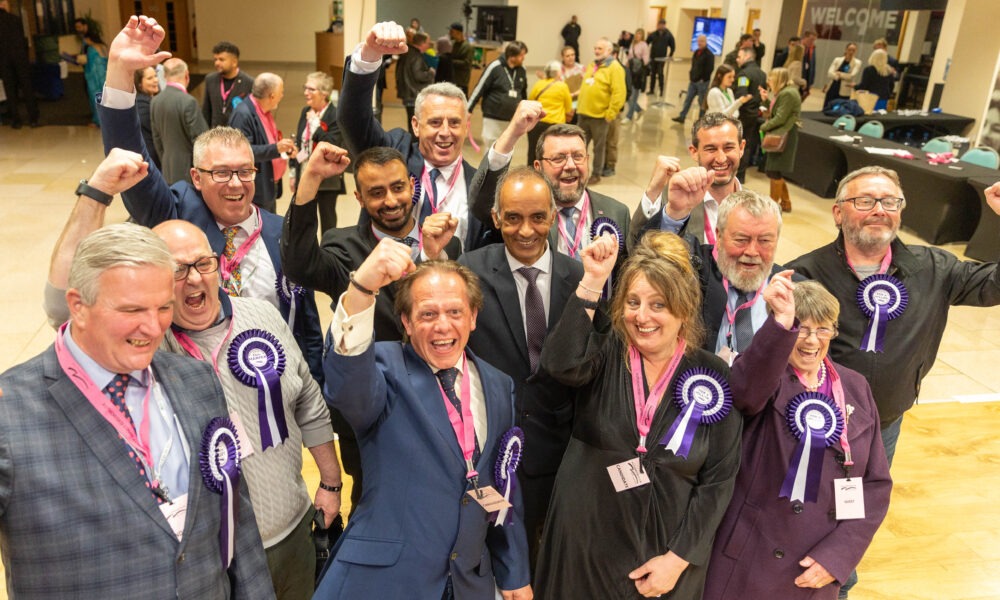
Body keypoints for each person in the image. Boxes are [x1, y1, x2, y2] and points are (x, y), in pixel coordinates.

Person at [0, 223, 274, 598]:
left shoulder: (198, 383)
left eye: (164, 307)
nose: (153, 326)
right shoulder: (10, 412)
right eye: (132, 309)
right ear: (78, 306)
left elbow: (237, 521)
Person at [97, 15, 325, 384]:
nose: (235, 184)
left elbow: (307, 323)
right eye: (220, 173)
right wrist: (120, 74)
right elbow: (130, 158)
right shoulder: (176, 212)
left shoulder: (279, 232)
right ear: (196, 178)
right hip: (193, 388)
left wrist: (314, 390)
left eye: (244, 172)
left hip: (270, 393)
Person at [314, 250, 532, 599]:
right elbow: (346, 386)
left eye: (455, 312)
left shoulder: (498, 384)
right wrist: (361, 289)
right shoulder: (383, 368)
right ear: (407, 321)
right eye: (427, 314)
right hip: (385, 582)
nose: (443, 326)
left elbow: (502, 485)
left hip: (466, 582)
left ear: (473, 316)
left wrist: (514, 570)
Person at [534, 232, 742, 599]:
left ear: (683, 309)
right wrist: (593, 280)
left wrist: (677, 560)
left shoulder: (712, 376)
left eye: (657, 305)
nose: (641, 316)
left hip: (664, 560)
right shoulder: (605, 350)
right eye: (632, 302)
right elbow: (559, 364)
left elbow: (718, 481)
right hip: (584, 547)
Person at [154, 220, 341, 600]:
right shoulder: (150, 350)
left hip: (293, 529)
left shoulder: (262, 315)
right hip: (213, 554)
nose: (193, 279)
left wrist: (331, 482)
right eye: (176, 269)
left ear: (217, 265)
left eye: (202, 264)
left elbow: (306, 398)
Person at [704, 278, 892, 600]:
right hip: (748, 559)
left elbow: (874, 486)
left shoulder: (856, 387)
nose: (811, 341)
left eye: (823, 329)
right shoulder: (766, 377)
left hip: (812, 569)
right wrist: (780, 326)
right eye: (801, 329)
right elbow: (745, 392)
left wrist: (837, 557)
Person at [458, 165, 584, 570]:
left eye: (537, 217)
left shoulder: (580, 277)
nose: (526, 230)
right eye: (512, 218)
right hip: (491, 450)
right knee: (496, 554)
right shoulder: (471, 270)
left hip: (560, 451)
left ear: (552, 215)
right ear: (496, 218)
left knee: (552, 557)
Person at [338, 21, 493, 251]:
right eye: (434, 122)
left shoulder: (479, 186)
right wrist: (369, 57)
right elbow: (353, 119)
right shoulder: (394, 154)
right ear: (416, 125)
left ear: (466, 126)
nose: (445, 132)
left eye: (454, 122)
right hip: (389, 284)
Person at [470, 117, 631, 258]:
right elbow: (483, 204)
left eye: (578, 156)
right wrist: (513, 132)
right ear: (538, 167)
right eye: (558, 158)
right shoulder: (521, 213)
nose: (570, 165)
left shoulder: (617, 212)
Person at [629, 112, 746, 248]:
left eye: (728, 147)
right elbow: (634, 251)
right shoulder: (673, 198)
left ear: (741, 148)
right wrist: (653, 191)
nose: (721, 158)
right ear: (694, 152)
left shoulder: (758, 204)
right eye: (711, 149)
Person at [229, 72, 296, 213]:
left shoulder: (264, 111)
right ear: (271, 96)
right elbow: (243, 152)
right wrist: (276, 148)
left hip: (268, 185)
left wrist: (283, 149)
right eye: (281, 92)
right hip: (257, 190)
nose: (282, 96)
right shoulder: (243, 114)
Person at [290, 71, 345, 234]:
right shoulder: (305, 111)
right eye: (305, 88)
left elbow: (332, 144)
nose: (306, 92)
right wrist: (294, 173)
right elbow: (302, 146)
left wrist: (315, 123)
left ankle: (329, 252)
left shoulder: (335, 115)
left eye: (311, 89)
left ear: (324, 94)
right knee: (305, 218)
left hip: (327, 179)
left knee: (328, 220)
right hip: (305, 175)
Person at [151, 58, 208, 185]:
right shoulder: (188, 102)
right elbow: (202, 141)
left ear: (165, 76)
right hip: (189, 172)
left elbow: (157, 139)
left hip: (167, 169)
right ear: (187, 75)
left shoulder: (155, 101)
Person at [576, 38, 626, 181]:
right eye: (595, 48)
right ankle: (579, 173)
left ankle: (596, 174)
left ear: (609, 51)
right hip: (584, 113)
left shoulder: (615, 68)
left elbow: (619, 93)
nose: (596, 51)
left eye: (600, 49)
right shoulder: (593, 64)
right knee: (580, 147)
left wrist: (610, 114)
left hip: (600, 116)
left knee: (598, 148)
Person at [468, 40, 529, 151]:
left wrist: (525, 112)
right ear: (512, 56)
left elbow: (523, 93)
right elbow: (479, 88)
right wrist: (468, 109)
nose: (523, 58)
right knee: (491, 147)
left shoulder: (522, 70)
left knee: (508, 148)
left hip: (511, 118)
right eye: (521, 55)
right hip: (493, 116)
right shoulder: (495, 67)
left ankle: (504, 169)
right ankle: (488, 169)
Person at [759, 67, 801, 213]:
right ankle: (785, 202)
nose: (768, 81)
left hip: (784, 136)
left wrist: (763, 127)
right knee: (774, 171)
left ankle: (772, 206)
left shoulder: (788, 93)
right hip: (780, 134)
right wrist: (765, 101)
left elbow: (780, 118)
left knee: (774, 171)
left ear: (778, 79)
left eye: (770, 79)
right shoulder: (783, 93)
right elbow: (774, 113)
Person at [0, 0, 39, 128]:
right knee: (27, 87)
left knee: (10, 90)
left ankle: (16, 119)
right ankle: (33, 118)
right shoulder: (15, 19)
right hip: (20, 58)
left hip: (4, 60)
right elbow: (23, 39)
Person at [526, 61, 573, 165]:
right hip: (555, 125)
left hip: (537, 124)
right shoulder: (562, 86)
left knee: (533, 151)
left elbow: (531, 100)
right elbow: (568, 107)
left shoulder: (539, 84)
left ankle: (531, 175)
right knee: (553, 153)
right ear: (557, 73)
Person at [202, 41, 254, 128]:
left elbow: (252, 114)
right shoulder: (210, 80)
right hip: (216, 134)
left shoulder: (249, 83)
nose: (217, 63)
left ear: (234, 62)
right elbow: (206, 111)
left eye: (221, 60)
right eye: (215, 59)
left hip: (238, 135)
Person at [734, 46, 766, 182]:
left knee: (738, 144)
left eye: (739, 56)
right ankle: (741, 175)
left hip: (743, 114)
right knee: (747, 144)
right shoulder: (762, 74)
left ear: (747, 57)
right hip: (755, 114)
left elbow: (742, 95)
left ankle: (737, 175)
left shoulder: (744, 74)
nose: (737, 59)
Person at [396, 31, 435, 134]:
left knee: (412, 125)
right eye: (427, 42)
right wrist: (430, 73)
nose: (429, 45)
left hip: (407, 93)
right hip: (414, 95)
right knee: (416, 127)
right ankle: (414, 149)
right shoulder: (416, 56)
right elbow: (419, 75)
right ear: (422, 43)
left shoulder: (405, 54)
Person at [673, 34, 714, 123]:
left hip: (702, 82)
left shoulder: (709, 55)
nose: (700, 43)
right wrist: (691, 76)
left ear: (706, 42)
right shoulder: (696, 52)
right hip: (693, 81)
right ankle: (682, 116)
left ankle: (701, 120)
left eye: (702, 41)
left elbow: (710, 69)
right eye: (698, 41)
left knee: (701, 102)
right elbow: (693, 65)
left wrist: (703, 79)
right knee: (688, 99)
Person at [76, 18, 109, 127]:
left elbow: (89, 64)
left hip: (95, 78)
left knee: (96, 97)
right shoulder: (103, 46)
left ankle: (98, 121)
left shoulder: (91, 49)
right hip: (105, 76)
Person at [134, 66, 160, 168]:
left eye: (155, 76)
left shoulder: (151, 99)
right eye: (150, 78)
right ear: (139, 84)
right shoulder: (141, 103)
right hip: (150, 157)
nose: (156, 80)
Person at [823, 42, 861, 109]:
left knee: (839, 109)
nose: (851, 52)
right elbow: (829, 73)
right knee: (827, 107)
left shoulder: (857, 63)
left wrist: (839, 73)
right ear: (846, 50)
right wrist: (838, 76)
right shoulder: (837, 60)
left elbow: (851, 76)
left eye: (853, 50)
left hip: (844, 91)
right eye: (849, 50)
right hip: (833, 87)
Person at [646, 19, 676, 97]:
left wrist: (670, 55)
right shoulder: (653, 34)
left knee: (660, 74)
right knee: (652, 74)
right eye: (659, 24)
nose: (661, 26)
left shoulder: (668, 35)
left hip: (662, 58)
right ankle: (651, 90)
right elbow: (646, 43)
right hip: (653, 57)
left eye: (662, 24)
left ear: (664, 25)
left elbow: (673, 45)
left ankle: (661, 90)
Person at [625, 28, 649, 120]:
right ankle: (637, 109)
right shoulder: (633, 44)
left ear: (642, 36)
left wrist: (638, 64)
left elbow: (646, 60)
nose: (637, 35)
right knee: (628, 95)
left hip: (638, 73)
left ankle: (629, 116)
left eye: (640, 34)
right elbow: (629, 57)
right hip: (630, 71)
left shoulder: (644, 45)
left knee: (634, 95)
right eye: (636, 33)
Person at [449, 23, 474, 96]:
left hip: (462, 81)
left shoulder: (468, 47)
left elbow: (467, 63)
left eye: (452, 32)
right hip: (453, 79)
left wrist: (451, 62)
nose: (450, 33)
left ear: (458, 33)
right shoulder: (454, 44)